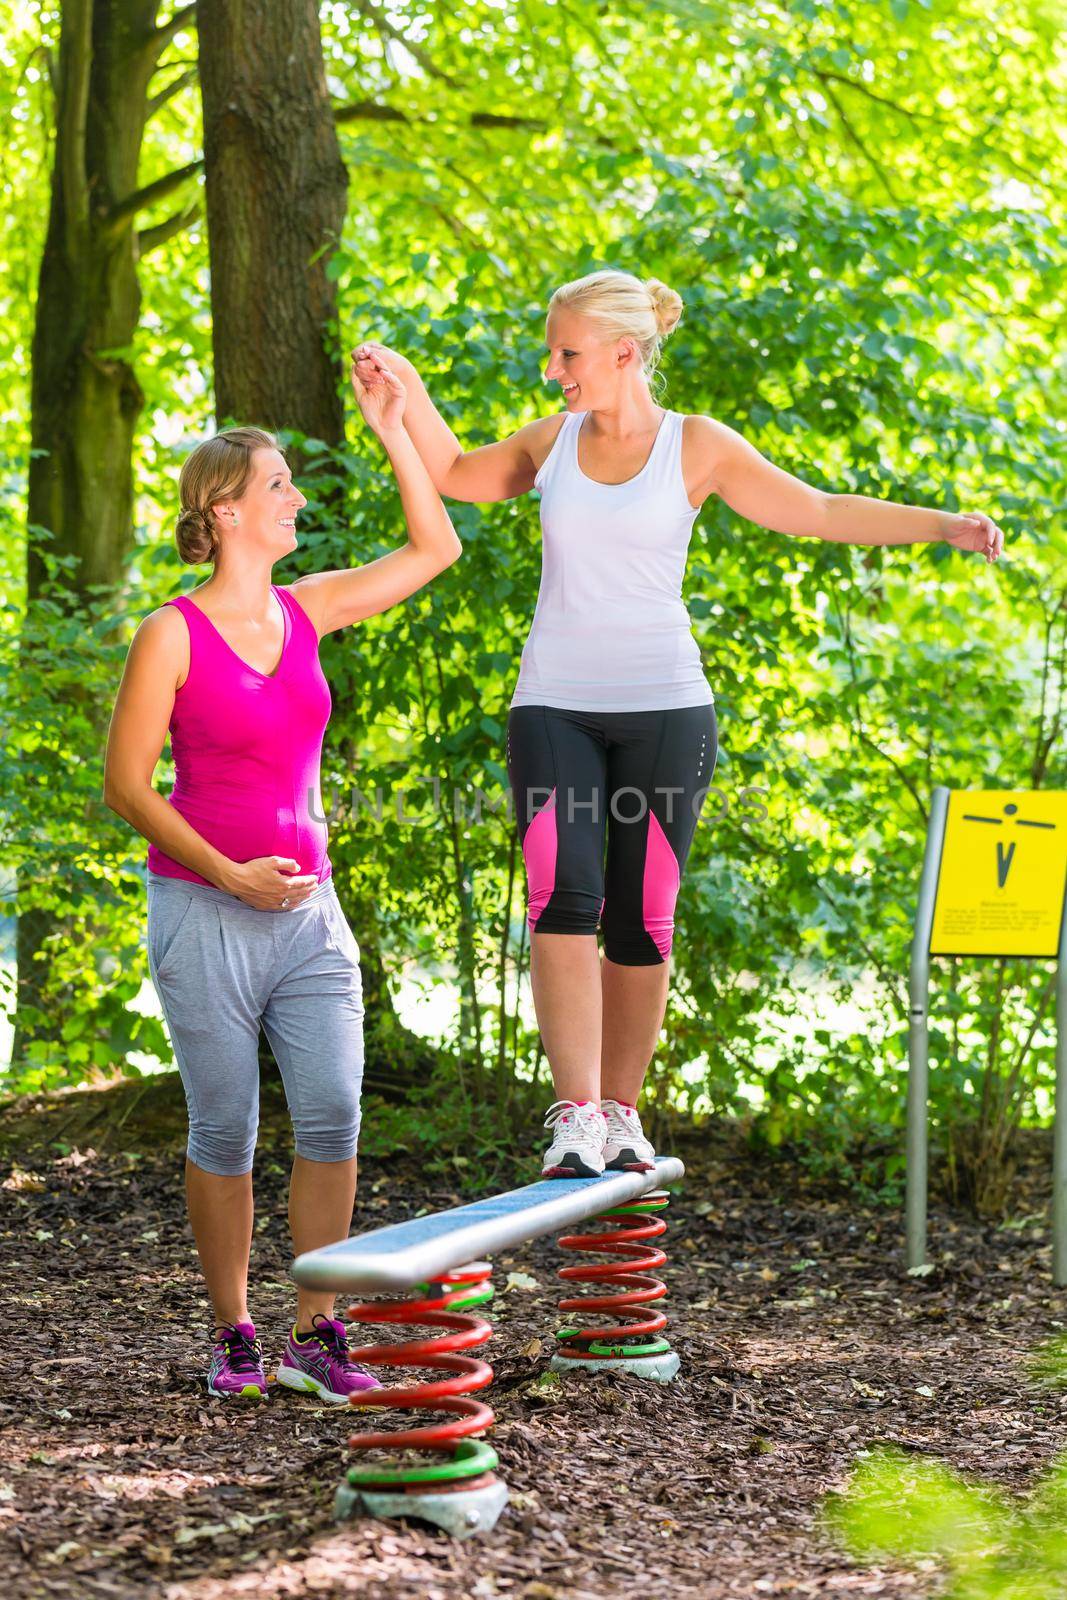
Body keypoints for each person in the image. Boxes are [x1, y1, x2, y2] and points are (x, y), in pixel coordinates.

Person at [354, 267, 1004, 1181]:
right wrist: (409, 398)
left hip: (665, 709)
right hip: (554, 708)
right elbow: (459, 475)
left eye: (567, 354)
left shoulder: (694, 446)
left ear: (625, 353)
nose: (553, 371)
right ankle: (574, 1114)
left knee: (640, 918)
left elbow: (814, 511)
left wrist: (940, 526)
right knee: (561, 899)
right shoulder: (553, 441)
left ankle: (621, 1111)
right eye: (553, 352)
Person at [103, 354, 461, 1398]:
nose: (296, 498)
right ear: (221, 510)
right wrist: (228, 874)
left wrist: (396, 425)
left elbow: (434, 544)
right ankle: (234, 1331)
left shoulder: (308, 610)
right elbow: (128, 786)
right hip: (202, 912)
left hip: (311, 916)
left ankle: (317, 1328)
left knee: (335, 1113)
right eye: (276, 487)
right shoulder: (169, 633)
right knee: (224, 1127)